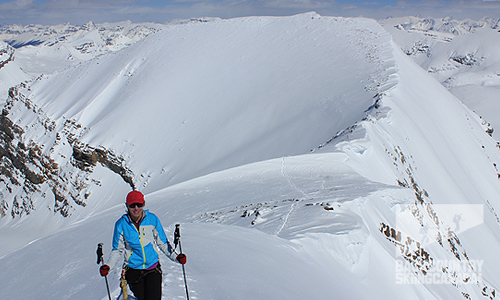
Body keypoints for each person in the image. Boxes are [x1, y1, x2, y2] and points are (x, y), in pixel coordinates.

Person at [99, 190, 187, 300]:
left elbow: (163, 243)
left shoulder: (152, 219)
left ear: (143, 204)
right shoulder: (121, 224)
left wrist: (176, 257)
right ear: (127, 206)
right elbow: (117, 250)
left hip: (153, 269)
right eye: (132, 205)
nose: (136, 208)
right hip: (133, 271)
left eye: (139, 205)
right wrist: (108, 266)